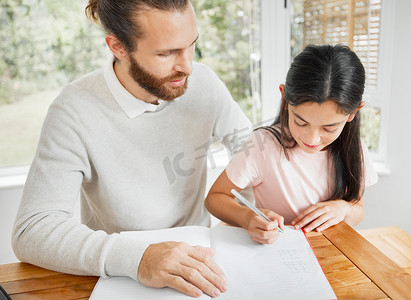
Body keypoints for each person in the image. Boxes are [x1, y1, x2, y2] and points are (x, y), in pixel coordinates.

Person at [11, 0, 252, 298]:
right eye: (166, 53)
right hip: (123, 279)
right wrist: (139, 258)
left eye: (191, 45)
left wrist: (255, 215)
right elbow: (32, 230)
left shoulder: (203, 82)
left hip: (202, 264)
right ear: (118, 47)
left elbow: (253, 151)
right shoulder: (74, 110)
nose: (187, 66)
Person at [205, 44, 378, 244]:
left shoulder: (351, 146)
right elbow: (215, 198)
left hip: (330, 252)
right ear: (285, 99)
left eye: (329, 129)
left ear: (354, 112)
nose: (312, 139)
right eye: (301, 122)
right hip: (277, 251)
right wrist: (248, 218)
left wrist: (344, 209)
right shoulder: (264, 145)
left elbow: (358, 208)